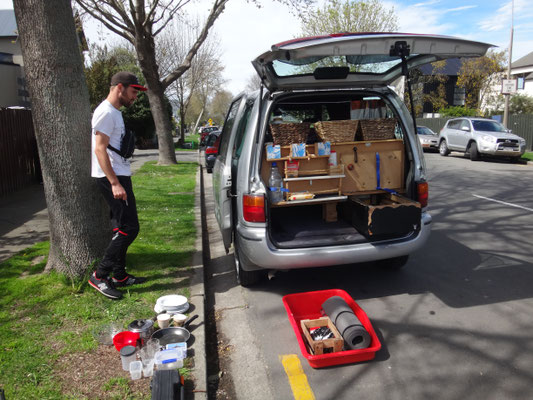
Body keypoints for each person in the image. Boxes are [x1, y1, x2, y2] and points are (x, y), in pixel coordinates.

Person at [88, 71, 147, 299]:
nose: (135, 97)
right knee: (129, 227)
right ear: (120, 88)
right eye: (134, 92)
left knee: (119, 226)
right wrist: (114, 182)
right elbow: (99, 149)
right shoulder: (105, 112)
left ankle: (119, 275)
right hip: (111, 178)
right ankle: (100, 275)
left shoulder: (116, 112)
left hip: (120, 175)